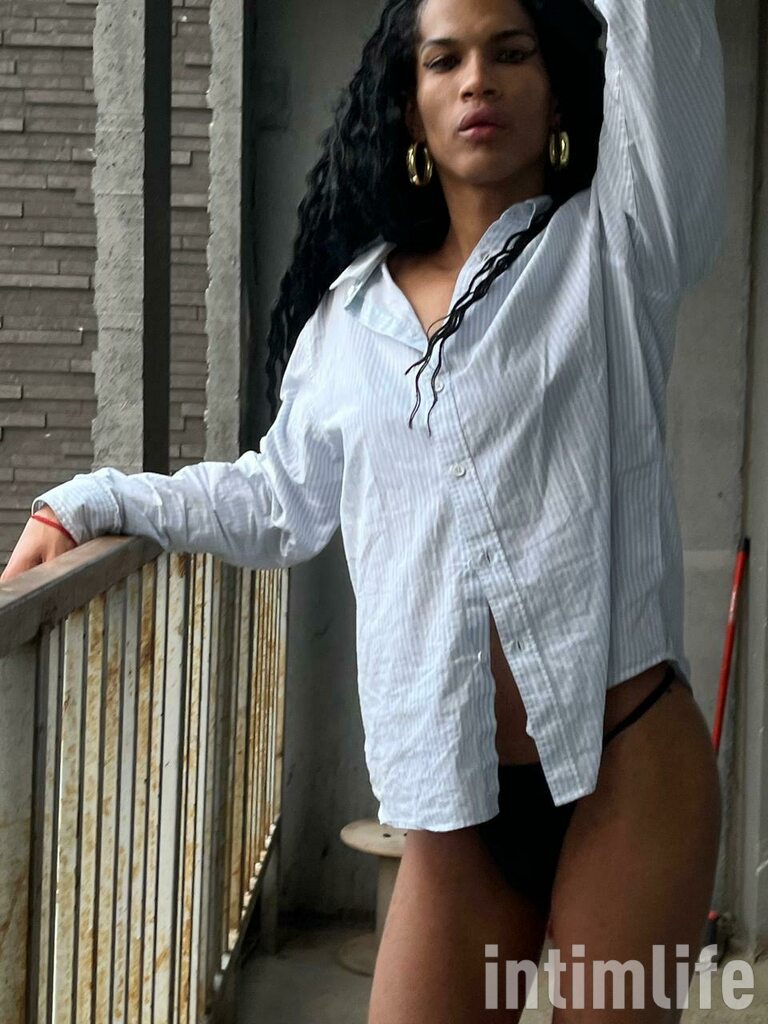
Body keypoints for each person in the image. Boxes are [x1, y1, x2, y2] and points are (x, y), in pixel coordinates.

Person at [2, 0, 727, 1019]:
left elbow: (661, 35)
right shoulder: (350, 316)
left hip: (629, 768)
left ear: (559, 91)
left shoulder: (615, 244)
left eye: (511, 52)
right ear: (410, 105)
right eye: (445, 60)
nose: (477, 80)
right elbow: (276, 501)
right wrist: (88, 500)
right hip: (457, 798)